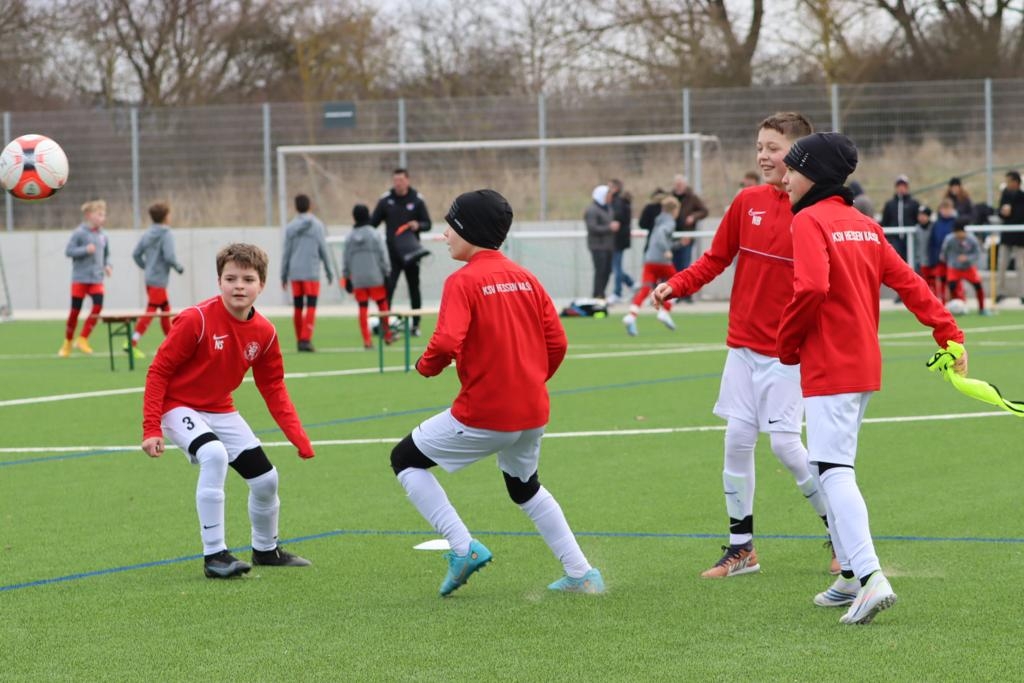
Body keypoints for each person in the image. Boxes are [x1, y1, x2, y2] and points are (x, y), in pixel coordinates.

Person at [777, 131, 966, 625]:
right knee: (828, 465)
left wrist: (786, 341)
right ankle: (848, 578)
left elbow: (811, 287)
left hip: (830, 364)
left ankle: (868, 577)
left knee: (834, 471)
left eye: (792, 169)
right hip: (862, 365)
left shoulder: (808, 220)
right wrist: (948, 331)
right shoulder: (865, 224)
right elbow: (910, 283)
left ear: (814, 174)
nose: (785, 178)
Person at [389, 189, 603, 596]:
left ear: (469, 229)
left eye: (451, 225)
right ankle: (581, 573)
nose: (444, 234)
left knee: (404, 460)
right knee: (525, 488)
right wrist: (529, 381)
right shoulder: (527, 277)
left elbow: (446, 340)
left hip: (485, 413)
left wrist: (425, 366)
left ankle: (462, 547)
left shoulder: (462, 281)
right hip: (533, 411)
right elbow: (558, 343)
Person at [652, 112, 836, 578]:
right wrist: (676, 285)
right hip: (742, 347)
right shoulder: (746, 201)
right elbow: (716, 258)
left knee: (786, 447)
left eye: (773, 148)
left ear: (799, 154)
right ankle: (742, 549)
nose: (763, 156)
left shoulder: (815, 214)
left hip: (788, 352)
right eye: (759, 147)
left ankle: (840, 533)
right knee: (736, 439)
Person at [141, 243, 315, 579]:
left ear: (261, 285)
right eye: (230, 278)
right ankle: (215, 556)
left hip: (220, 409)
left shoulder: (265, 332)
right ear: (219, 281)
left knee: (266, 480)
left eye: (248, 279)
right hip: (178, 406)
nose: (239, 286)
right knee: (214, 454)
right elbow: (158, 371)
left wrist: (299, 437)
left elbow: (273, 387)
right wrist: (151, 428)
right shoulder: (196, 319)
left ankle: (266, 550)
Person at [370, 168, 432, 336]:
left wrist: (418, 225)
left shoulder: (417, 200)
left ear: (407, 180)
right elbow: (372, 223)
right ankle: (385, 325)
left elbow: (427, 223)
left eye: (401, 180)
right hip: (392, 255)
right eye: (395, 180)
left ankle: (415, 325)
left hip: (411, 254)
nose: (398, 183)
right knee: (388, 288)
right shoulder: (386, 200)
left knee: (414, 287)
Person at [129, 201, 185, 359]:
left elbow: (136, 254)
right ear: (165, 217)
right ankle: (131, 342)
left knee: (165, 311)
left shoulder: (147, 233)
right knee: (151, 312)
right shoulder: (167, 234)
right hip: (159, 281)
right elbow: (169, 256)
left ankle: (173, 344)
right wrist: (178, 267)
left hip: (149, 279)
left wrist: (146, 267)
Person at [281, 193, 334, 352]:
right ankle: (305, 339)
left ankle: (299, 340)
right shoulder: (317, 225)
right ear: (310, 205)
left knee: (298, 307)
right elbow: (323, 249)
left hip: (295, 272)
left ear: (296, 207)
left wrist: (283, 274)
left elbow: (286, 252)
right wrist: (329, 271)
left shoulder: (290, 227)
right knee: (311, 305)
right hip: (311, 272)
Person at [59, 199, 112, 357]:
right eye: (99, 214)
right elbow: (69, 251)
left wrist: (108, 266)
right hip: (80, 278)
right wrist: (85, 250)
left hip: (96, 278)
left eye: (104, 215)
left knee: (97, 307)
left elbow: (107, 255)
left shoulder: (104, 235)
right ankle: (68, 342)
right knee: (75, 312)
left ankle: (83, 339)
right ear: (89, 215)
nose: (102, 218)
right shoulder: (79, 233)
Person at [622, 195, 679, 336]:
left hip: (649, 260)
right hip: (662, 261)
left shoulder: (658, 220)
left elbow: (659, 238)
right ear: (674, 210)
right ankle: (665, 311)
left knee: (645, 289)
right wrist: (666, 250)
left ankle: (631, 316)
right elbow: (661, 236)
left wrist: (677, 244)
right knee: (679, 282)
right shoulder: (669, 222)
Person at [343, 204, 393, 349]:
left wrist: (347, 277)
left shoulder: (349, 237)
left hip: (358, 279)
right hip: (375, 277)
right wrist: (387, 273)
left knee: (362, 308)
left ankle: (367, 340)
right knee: (382, 305)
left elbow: (346, 259)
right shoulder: (374, 234)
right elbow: (383, 255)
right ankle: (387, 335)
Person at [941, 221, 990, 315]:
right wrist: (950, 261)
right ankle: (949, 309)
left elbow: (977, 253)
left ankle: (982, 309)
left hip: (969, 268)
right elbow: (944, 253)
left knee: (978, 286)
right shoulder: (949, 239)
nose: (957, 235)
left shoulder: (972, 239)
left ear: (963, 231)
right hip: (954, 268)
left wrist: (967, 258)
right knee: (951, 287)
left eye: (959, 232)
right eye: (955, 233)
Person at [584, 184, 619, 299]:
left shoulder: (608, 208)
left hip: (608, 246)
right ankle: (597, 295)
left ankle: (602, 293)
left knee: (607, 271)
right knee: (600, 271)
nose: (610, 197)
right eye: (608, 195)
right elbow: (592, 227)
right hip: (598, 246)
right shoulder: (592, 210)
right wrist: (609, 227)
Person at [669, 174, 708, 275]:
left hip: (686, 236)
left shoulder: (692, 197)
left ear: (685, 185)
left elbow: (704, 211)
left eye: (680, 184)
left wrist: (693, 217)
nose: (678, 187)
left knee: (683, 267)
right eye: (677, 184)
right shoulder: (670, 197)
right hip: (672, 237)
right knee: (670, 267)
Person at [996, 170, 1024, 304]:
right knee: (1002, 264)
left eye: (1009, 181)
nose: (1007, 184)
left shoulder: (1022, 196)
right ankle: (1000, 292)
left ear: (1016, 182)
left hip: (1020, 237)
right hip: (1006, 235)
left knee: (1021, 266)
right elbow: (1000, 212)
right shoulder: (1005, 195)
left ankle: (1022, 293)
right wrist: (1003, 213)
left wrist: (1012, 212)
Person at [921, 201, 958, 300]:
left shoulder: (956, 223)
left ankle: (956, 301)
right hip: (940, 259)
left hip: (953, 260)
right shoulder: (936, 224)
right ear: (940, 210)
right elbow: (932, 243)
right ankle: (942, 303)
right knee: (941, 282)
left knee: (954, 283)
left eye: (948, 209)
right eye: (944, 209)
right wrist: (933, 259)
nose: (946, 211)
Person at [880, 174, 919, 263]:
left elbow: (918, 220)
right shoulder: (889, 204)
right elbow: (884, 222)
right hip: (894, 240)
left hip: (910, 240)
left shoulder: (914, 203)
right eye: (899, 186)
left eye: (904, 186)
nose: (901, 188)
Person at [608, 179, 635, 303]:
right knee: (615, 267)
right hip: (620, 239)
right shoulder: (620, 201)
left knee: (616, 267)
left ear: (616, 188)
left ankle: (617, 292)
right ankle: (631, 283)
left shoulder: (617, 202)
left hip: (618, 240)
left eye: (610, 187)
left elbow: (617, 220)